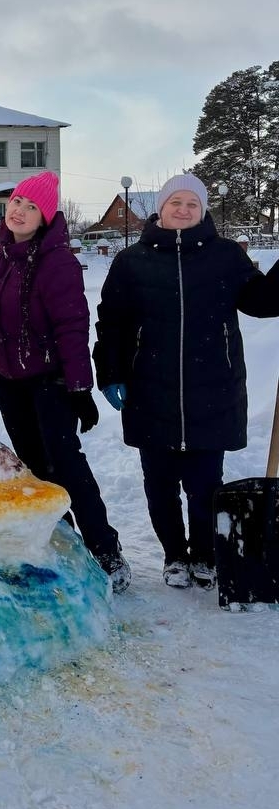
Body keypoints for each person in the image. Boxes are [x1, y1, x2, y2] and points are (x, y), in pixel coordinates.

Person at [0, 171, 131, 593]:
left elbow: (72, 327)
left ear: (45, 218)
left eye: (32, 207)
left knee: (66, 464)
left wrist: (80, 389)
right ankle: (63, 542)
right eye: (17, 202)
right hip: (6, 378)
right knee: (33, 466)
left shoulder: (57, 262)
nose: (20, 211)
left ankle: (106, 549)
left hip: (50, 380)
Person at [94, 173, 279, 589]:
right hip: (149, 391)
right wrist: (110, 373)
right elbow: (112, 323)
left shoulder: (226, 256)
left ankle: (205, 556)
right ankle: (175, 555)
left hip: (212, 390)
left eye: (192, 204)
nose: (183, 209)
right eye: (176, 202)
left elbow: (262, 302)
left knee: (205, 485)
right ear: (162, 208)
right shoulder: (132, 261)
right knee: (159, 486)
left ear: (202, 210)